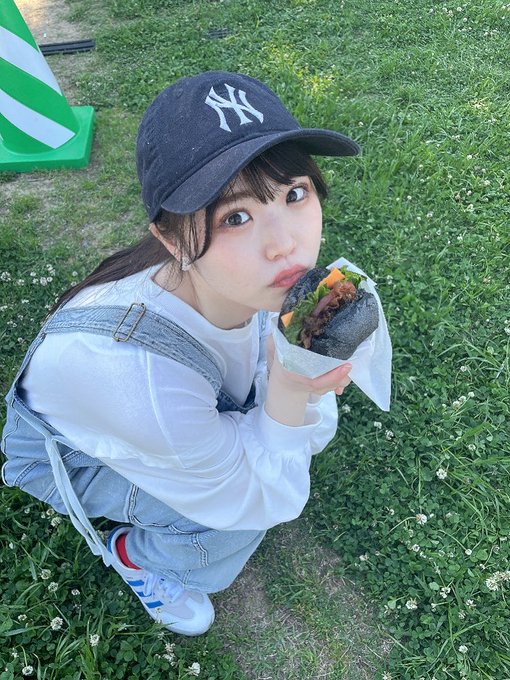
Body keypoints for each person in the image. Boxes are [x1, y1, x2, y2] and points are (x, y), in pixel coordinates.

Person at [1, 71, 361, 636]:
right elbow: (262, 496)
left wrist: (292, 388)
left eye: (294, 193)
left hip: (171, 408)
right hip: (70, 455)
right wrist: (292, 391)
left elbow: (300, 434)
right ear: (171, 240)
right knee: (229, 533)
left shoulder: (245, 277)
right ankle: (135, 554)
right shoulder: (141, 380)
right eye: (235, 217)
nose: (284, 243)